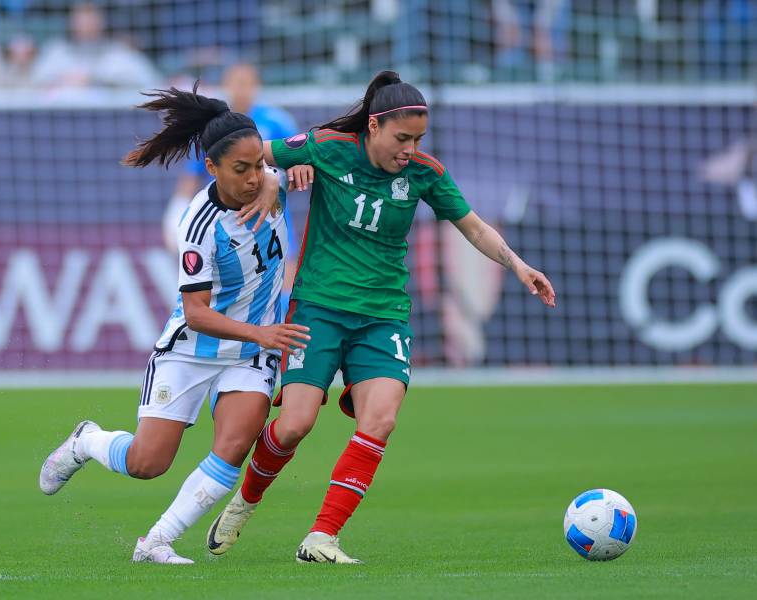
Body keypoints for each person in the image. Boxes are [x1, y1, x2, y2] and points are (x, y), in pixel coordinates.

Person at [207, 70, 557, 564]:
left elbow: (474, 227)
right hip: (319, 309)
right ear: (373, 127)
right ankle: (244, 503)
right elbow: (247, 155)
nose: (410, 149)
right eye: (402, 138)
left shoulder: (424, 173)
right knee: (295, 424)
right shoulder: (327, 146)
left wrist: (519, 266)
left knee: (382, 419)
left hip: (383, 317)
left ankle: (322, 537)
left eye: (418, 139)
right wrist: (271, 180)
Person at [38, 84, 311, 564]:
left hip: (250, 353)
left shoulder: (272, 181)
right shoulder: (198, 226)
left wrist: (276, 175)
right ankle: (87, 440)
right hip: (195, 348)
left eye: (258, 166)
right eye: (240, 170)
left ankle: (156, 541)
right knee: (148, 464)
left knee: (235, 442)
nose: (253, 179)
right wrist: (261, 333)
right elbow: (197, 313)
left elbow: (319, 147)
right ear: (212, 168)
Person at [165, 63, 301, 309]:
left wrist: (273, 181)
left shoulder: (276, 121)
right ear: (226, 86)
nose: (242, 89)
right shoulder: (217, 130)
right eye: (236, 83)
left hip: (271, 215)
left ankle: (277, 342)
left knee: (284, 284)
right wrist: (174, 212)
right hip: (227, 220)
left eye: (247, 83)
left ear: (256, 86)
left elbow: (297, 166)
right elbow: (192, 175)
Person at [31, 2, 160, 90]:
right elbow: (36, 82)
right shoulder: (57, 51)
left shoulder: (118, 51)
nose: (86, 26)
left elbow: (147, 81)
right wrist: (62, 81)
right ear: (71, 23)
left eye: (91, 20)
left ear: (101, 22)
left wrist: (97, 82)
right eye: (81, 21)